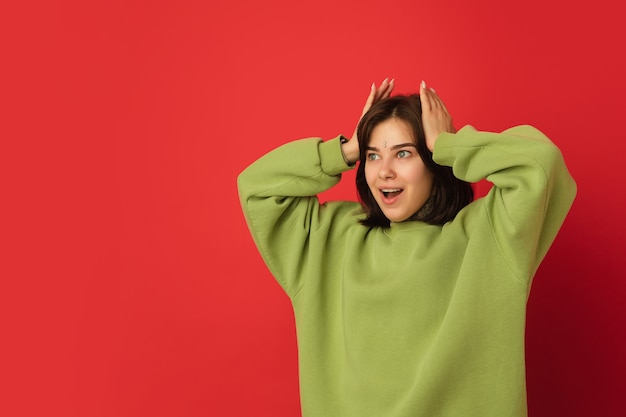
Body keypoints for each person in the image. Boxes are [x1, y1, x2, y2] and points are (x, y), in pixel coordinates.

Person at [237, 78, 576, 417]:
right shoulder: (330, 238)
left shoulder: (488, 235)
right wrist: (345, 150)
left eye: (403, 153)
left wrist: (449, 145)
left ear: (432, 162)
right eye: (373, 155)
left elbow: (541, 163)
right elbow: (257, 188)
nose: (384, 171)